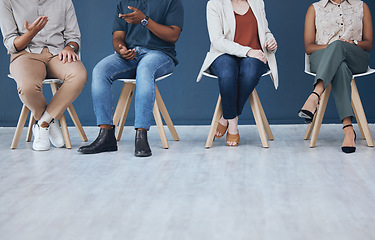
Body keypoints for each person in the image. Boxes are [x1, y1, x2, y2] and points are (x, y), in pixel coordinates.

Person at [78, 0, 184, 157]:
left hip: (160, 55)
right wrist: (121, 49)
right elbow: (117, 36)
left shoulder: (171, 2)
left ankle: (141, 135)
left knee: (145, 68)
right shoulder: (124, 3)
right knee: (100, 70)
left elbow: (173, 35)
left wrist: (144, 20)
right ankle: (106, 136)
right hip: (131, 55)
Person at [0, 0, 87, 151]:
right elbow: (11, 43)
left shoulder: (64, 1)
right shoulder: (7, 1)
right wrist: (30, 34)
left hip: (58, 53)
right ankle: (50, 122)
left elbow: (74, 37)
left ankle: (43, 123)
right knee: (27, 87)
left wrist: (69, 47)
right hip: (25, 54)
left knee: (78, 75)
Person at [197, 0, 278, 147]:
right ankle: (233, 125)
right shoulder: (214, 4)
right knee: (228, 74)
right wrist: (247, 51)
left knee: (250, 73)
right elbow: (217, 40)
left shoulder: (257, 2)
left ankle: (225, 119)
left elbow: (265, 31)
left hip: (254, 55)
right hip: (224, 54)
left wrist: (270, 40)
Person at [298, 0, 373, 153]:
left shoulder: (361, 6)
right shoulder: (315, 9)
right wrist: (334, 48)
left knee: (339, 47)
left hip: (356, 57)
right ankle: (348, 129)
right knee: (340, 65)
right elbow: (309, 47)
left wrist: (350, 43)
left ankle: (315, 94)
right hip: (321, 58)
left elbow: (369, 44)